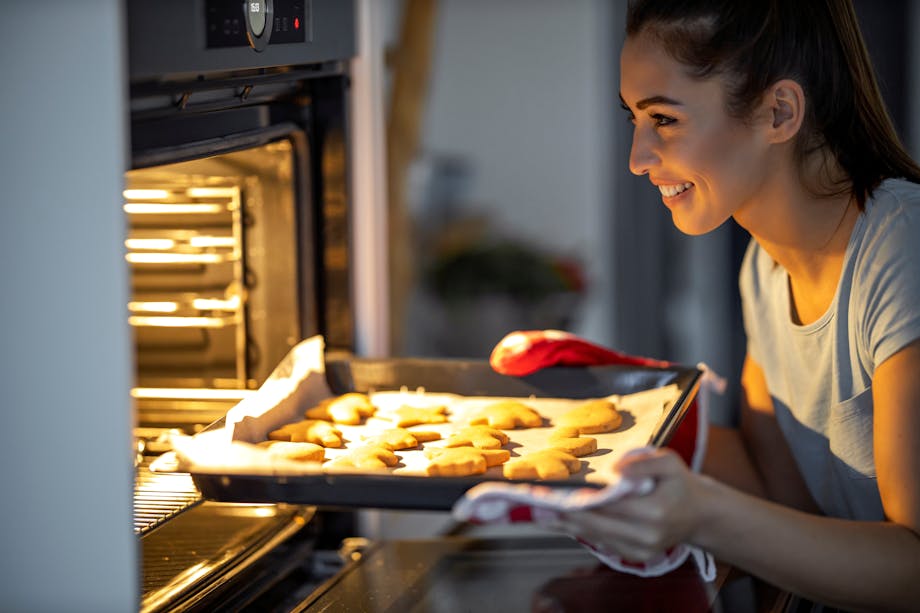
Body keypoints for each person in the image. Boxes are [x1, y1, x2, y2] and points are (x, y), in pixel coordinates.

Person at [554, 0, 920, 610]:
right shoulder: (766, 265)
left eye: (664, 120)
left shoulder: (901, 249)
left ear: (779, 112)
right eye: (634, 122)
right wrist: (597, 422)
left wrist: (702, 514)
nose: (638, 159)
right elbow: (780, 495)